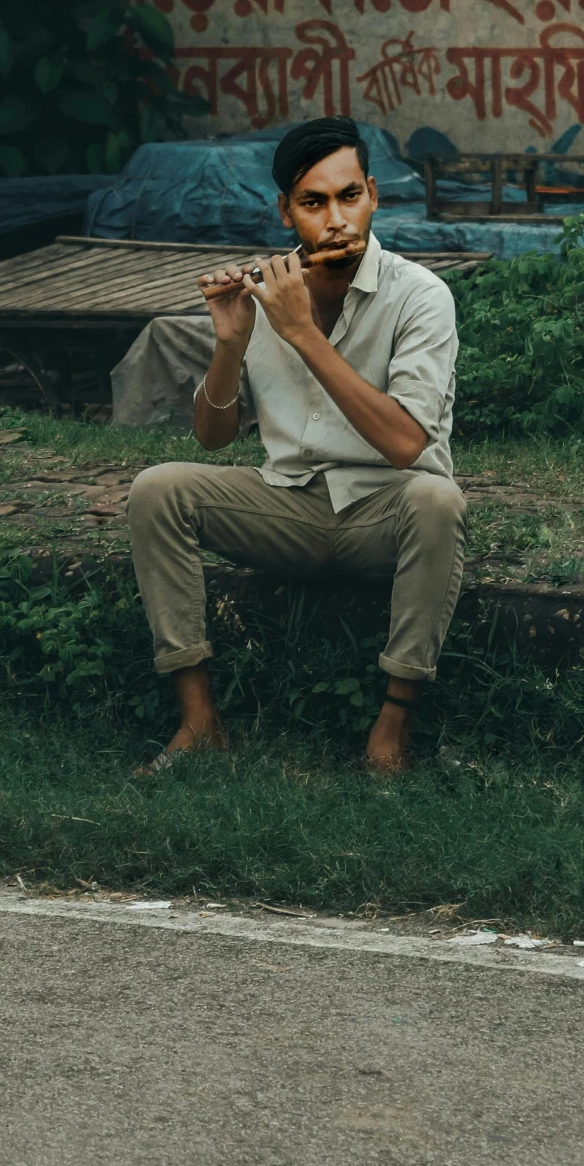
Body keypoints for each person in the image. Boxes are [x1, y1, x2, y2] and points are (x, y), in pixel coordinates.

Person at [126, 115, 466, 775]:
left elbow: (404, 443)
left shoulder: (422, 297)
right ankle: (199, 720)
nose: (335, 219)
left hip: (386, 510)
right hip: (286, 504)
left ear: (373, 194)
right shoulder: (266, 290)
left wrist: (302, 333)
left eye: (348, 196)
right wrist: (229, 342)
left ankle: (391, 723)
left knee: (438, 498)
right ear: (286, 208)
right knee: (157, 488)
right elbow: (214, 435)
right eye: (313, 202)